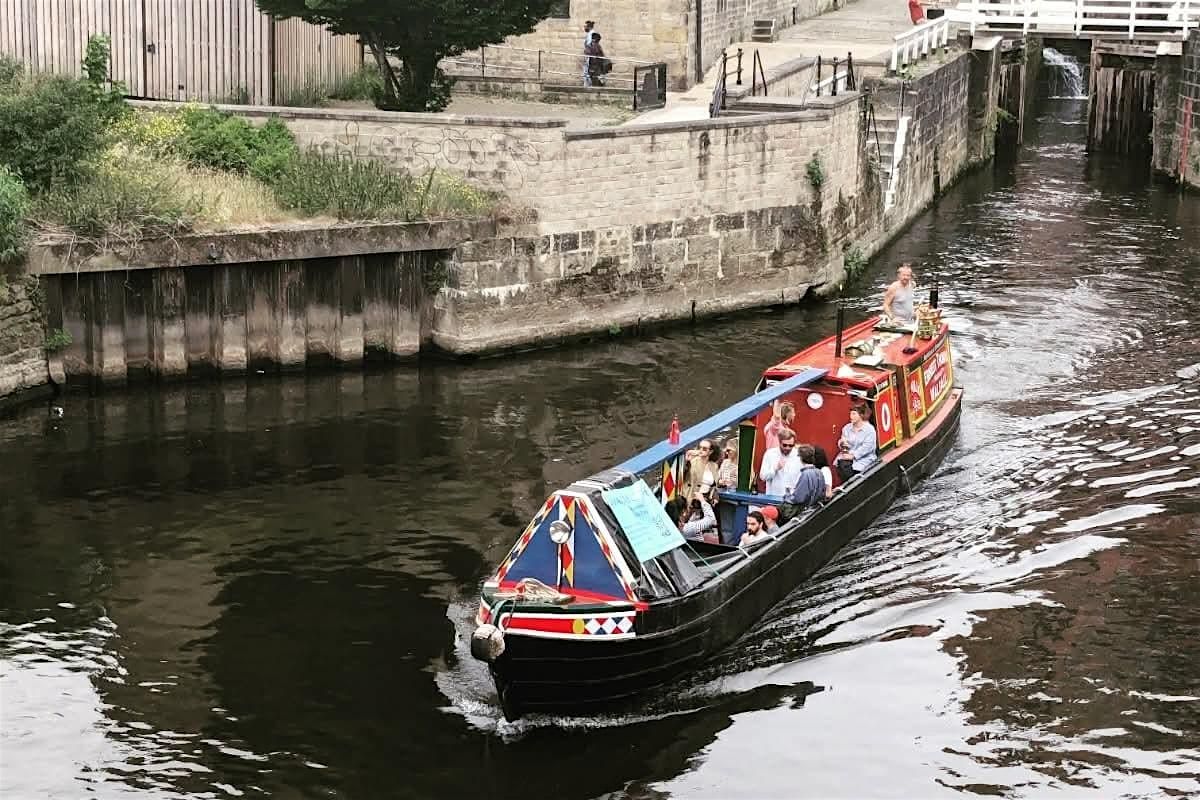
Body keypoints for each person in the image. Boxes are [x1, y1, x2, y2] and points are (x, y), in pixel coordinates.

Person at [779, 444, 826, 522]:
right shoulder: (819, 472)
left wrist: (787, 496)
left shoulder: (806, 474)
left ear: (801, 458)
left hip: (804, 511)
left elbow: (798, 498)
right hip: (814, 508)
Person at [835, 404, 878, 482]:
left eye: (854, 414)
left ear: (861, 415)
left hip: (864, 458)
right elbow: (842, 442)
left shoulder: (869, 430)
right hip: (847, 457)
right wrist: (842, 443)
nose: (851, 416)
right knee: (841, 464)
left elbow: (867, 448)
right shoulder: (846, 428)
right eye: (850, 414)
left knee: (852, 468)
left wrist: (853, 456)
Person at [758, 429, 803, 498]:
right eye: (784, 445)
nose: (787, 448)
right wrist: (775, 468)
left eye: (791, 445)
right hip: (773, 497)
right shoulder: (770, 454)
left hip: (792, 499)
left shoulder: (798, 455)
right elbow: (763, 477)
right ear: (779, 442)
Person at [683, 439, 721, 503]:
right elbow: (682, 474)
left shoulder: (714, 466)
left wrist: (715, 496)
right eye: (699, 447)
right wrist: (687, 460)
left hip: (706, 499)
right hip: (691, 497)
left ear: (711, 451)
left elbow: (715, 485)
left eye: (704, 449)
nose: (700, 450)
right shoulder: (692, 461)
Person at [581, 21, 596, 86]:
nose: (584, 28)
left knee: (586, 70)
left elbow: (589, 45)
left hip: (589, 55)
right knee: (588, 70)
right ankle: (589, 85)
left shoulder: (590, 34)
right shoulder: (591, 33)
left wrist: (586, 54)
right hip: (590, 55)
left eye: (585, 26)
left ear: (589, 27)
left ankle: (587, 86)